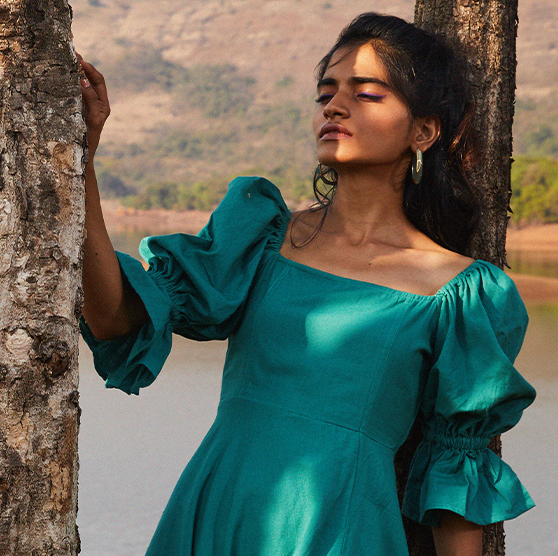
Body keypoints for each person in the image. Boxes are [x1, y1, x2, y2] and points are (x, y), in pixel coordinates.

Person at [78, 13, 534, 556]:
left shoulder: (460, 294)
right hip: (219, 509)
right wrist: (82, 162)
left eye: (366, 94)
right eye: (326, 93)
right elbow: (114, 317)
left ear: (423, 131)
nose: (334, 107)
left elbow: (456, 479)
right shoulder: (260, 239)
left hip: (343, 529)